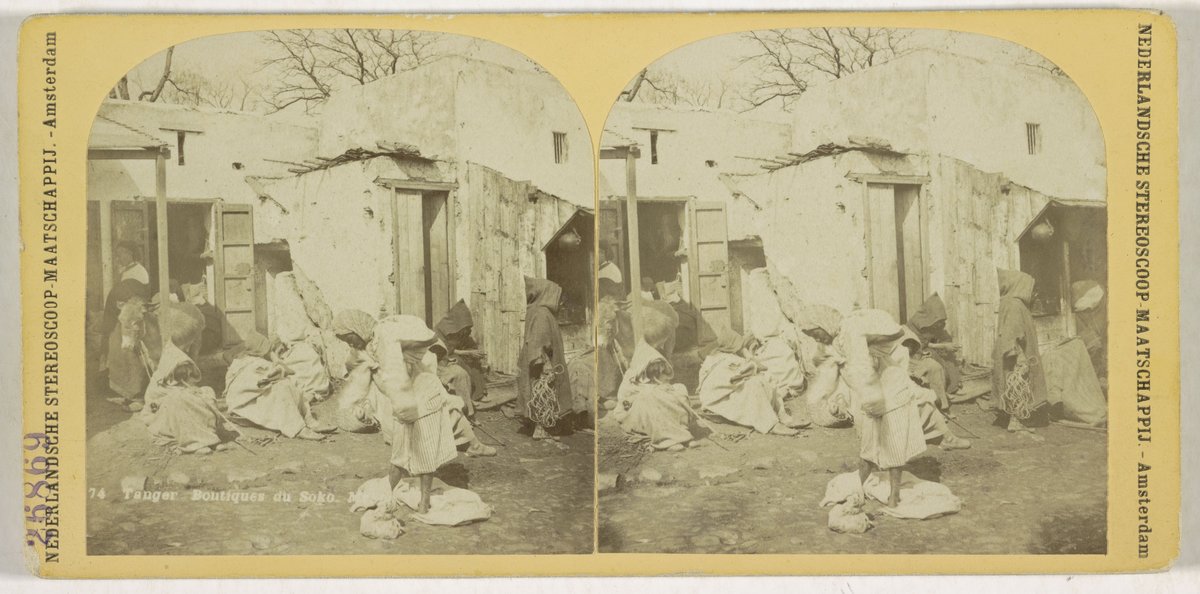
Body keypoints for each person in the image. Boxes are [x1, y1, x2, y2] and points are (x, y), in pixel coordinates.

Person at [840, 309, 971, 507]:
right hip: (874, 403)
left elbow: (899, 342)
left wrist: (868, 338)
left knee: (894, 449)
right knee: (867, 450)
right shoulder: (856, 353)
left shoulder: (889, 349)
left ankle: (895, 495)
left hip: (896, 400)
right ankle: (859, 486)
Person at [331, 309, 496, 457]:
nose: (350, 343)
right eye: (346, 342)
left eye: (349, 338)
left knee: (443, 408)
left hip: (414, 378)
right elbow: (353, 365)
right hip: (395, 387)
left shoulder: (386, 332)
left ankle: (474, 445)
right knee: (402, 423)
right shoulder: (366, 343)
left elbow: (429, 339)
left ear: (357, 328)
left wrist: (404, 350)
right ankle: (416, 452)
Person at [373, 315, 461, 514]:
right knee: (398, 456)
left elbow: (427, 341)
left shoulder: (420, 357)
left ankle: (424, 502)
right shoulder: (393, 361)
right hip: (408, 405)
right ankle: (389, 494)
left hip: (427, 403)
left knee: (425, 454)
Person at [697, 325, 808, 436]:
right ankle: (770, 424)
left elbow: (742, 374)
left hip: (728, 393)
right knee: (754, 384)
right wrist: (753, 365)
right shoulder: (719, 360)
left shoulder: (726, 357)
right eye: (740, 347)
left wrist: (754, 367)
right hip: (718, 402)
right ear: (732, 346)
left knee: (764, 379)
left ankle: (782, 414)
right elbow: (735, 377)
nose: (741, 350)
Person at [222, 332, 331, 440]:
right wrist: (275, 361)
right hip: (244, 406)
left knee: (287, 384)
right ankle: (297, 428)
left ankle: (308, 419)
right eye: (268, 349)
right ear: (261, 350)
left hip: (250, 398)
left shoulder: (244, 360)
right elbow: (283, 373)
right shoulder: (255, 364)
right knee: (283, 387)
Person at [611, 340, 706, 451]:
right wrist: (648, 391)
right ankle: (666, 440)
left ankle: (682, 433)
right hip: (639, 414)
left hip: (661, 407)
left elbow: (666, 386)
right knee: (650, 397)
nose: (657, 370)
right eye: (653, 366)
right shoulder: (631, 377)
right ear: (644, 364)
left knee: (679, 389)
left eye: (659, 366)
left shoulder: (658, 374)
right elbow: (625, 402)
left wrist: (667, 389)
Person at [517, 278, 575, 440]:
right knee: (543, 392)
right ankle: (541, 429)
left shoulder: (535, 310)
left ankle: (540, 425)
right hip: (543, 362)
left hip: (539, 360)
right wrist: (545, 364)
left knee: (539, 393)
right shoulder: (542, 314)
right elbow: (539, 341)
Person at [992, 269, 1049, 432]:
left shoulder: (1008, 302)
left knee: (1011, 385)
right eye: (1031, 287)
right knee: (1017, 384)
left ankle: (1009, 416)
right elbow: (1012, 332)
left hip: (1012, 353)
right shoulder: (1015, 305)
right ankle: (1015, 421)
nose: (1033, 292)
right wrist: (1018, 357)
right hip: (1017, 354)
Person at [796, 304, 854, 428]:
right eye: (812, 337)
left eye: (816, 334)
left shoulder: (848, 333)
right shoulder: (828, 342)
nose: (816, 339)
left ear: (824, 324)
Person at [901, 294, 962, 412]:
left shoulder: (934, 327)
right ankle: (938, 399)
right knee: (935, 365)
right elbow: (916, 346)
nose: (940, 323)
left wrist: (943, 345)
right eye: (938, 320)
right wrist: (941, 346)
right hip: (912, 357)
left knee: (941, 365)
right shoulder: (914, 326)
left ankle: (941, 397)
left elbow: (927, 343)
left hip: (922, 354)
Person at [432, 300, 487, 415]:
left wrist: (473, 351)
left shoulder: (462, 330)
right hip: (443, 357)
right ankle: (466, 400)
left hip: (458, 353)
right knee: (461, 366)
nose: (466, 329)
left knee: (475, 364)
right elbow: (445, 350)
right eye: (465, 326)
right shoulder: (440, 330)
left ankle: (476, 394)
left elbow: (468, 343)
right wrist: (467, 353)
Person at [1071, 280, 1107, 392]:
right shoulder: (1080, 302)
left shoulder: (1098, 295)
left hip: (1093, 336)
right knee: (1094, 347)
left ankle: (1098, 378)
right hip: (1084, 335)